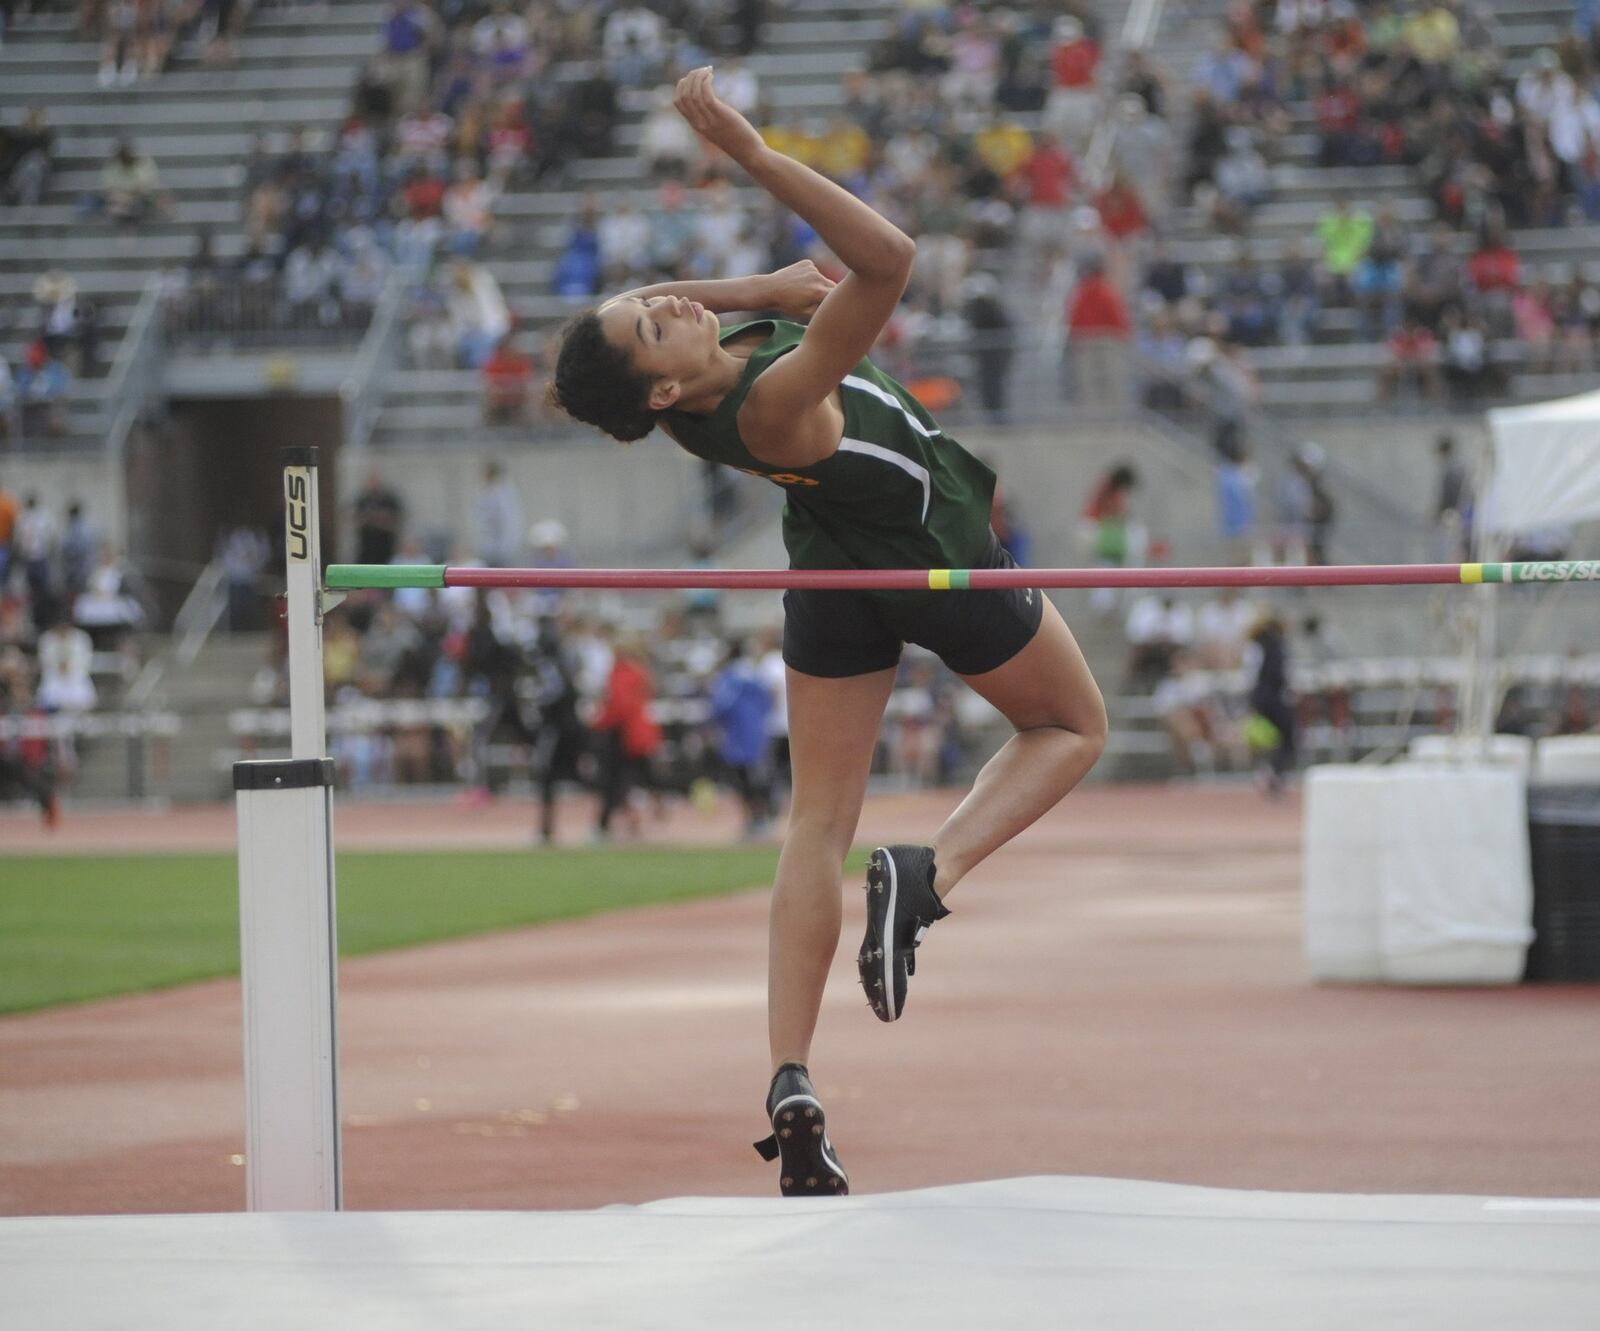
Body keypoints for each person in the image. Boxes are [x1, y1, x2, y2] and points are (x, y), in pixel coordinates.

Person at [546, 69, 1107, 1198]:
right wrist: (752, 154)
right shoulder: (767, 403)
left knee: (813, 822)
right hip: (925, 551)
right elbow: (886, 262)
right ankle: (928, 871)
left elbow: (711, 297)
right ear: (659, 391)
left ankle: (790, 1079)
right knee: (1072, 724)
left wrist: (728, 286)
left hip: (828, 568)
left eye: (665, 298)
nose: (678, 303)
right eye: (659, 322)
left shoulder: (699, 377)